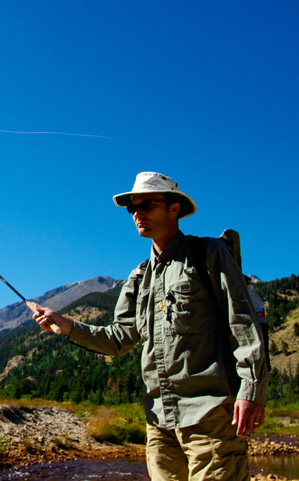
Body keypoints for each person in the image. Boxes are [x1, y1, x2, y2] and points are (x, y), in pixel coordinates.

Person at [32, 171, 268, 481]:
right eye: (132, 208)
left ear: (174, 209)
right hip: (158, 421)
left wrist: (251, 391)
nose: (137, 214)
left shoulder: (209, 253)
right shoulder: (139, 278)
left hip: (211, 417)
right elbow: (119, 338)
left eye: (147, 205)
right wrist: (66, 325)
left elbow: (243, 321)